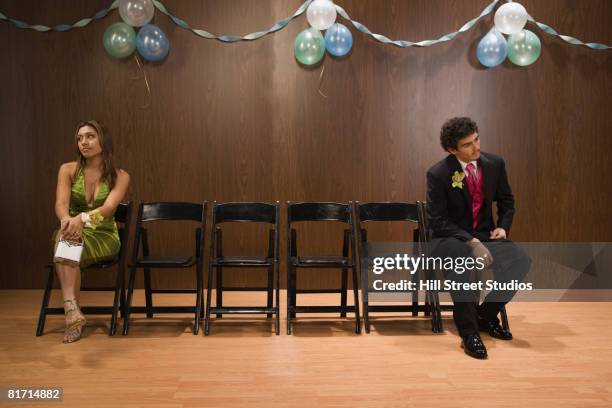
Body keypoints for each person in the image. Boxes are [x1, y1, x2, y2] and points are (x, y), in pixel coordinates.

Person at [426, 117, 531, 359]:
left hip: (486, 234)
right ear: (452, 149)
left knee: (521, 260)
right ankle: (469, 332)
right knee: (461, 257)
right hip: (449, 238)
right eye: (467, 144)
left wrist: (503, 228)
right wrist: (472, 243)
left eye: (477, 139)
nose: (476, 147)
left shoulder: (495, 164)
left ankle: (485, 315)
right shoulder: (439, 174)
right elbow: (438, 221)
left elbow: (507, 201)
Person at [52, 120, 129, 343]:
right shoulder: (67, 170)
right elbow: (60, 203)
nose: (83, 142)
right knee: (66, 237)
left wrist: (82, 219)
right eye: (79, 138)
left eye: (90, 136)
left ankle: (70, 313)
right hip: (70, 229)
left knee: (66, 242)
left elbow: (108, 208)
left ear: (103, 140)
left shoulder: (120, 175)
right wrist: (67, 219)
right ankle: (72, 311)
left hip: (102, 233)